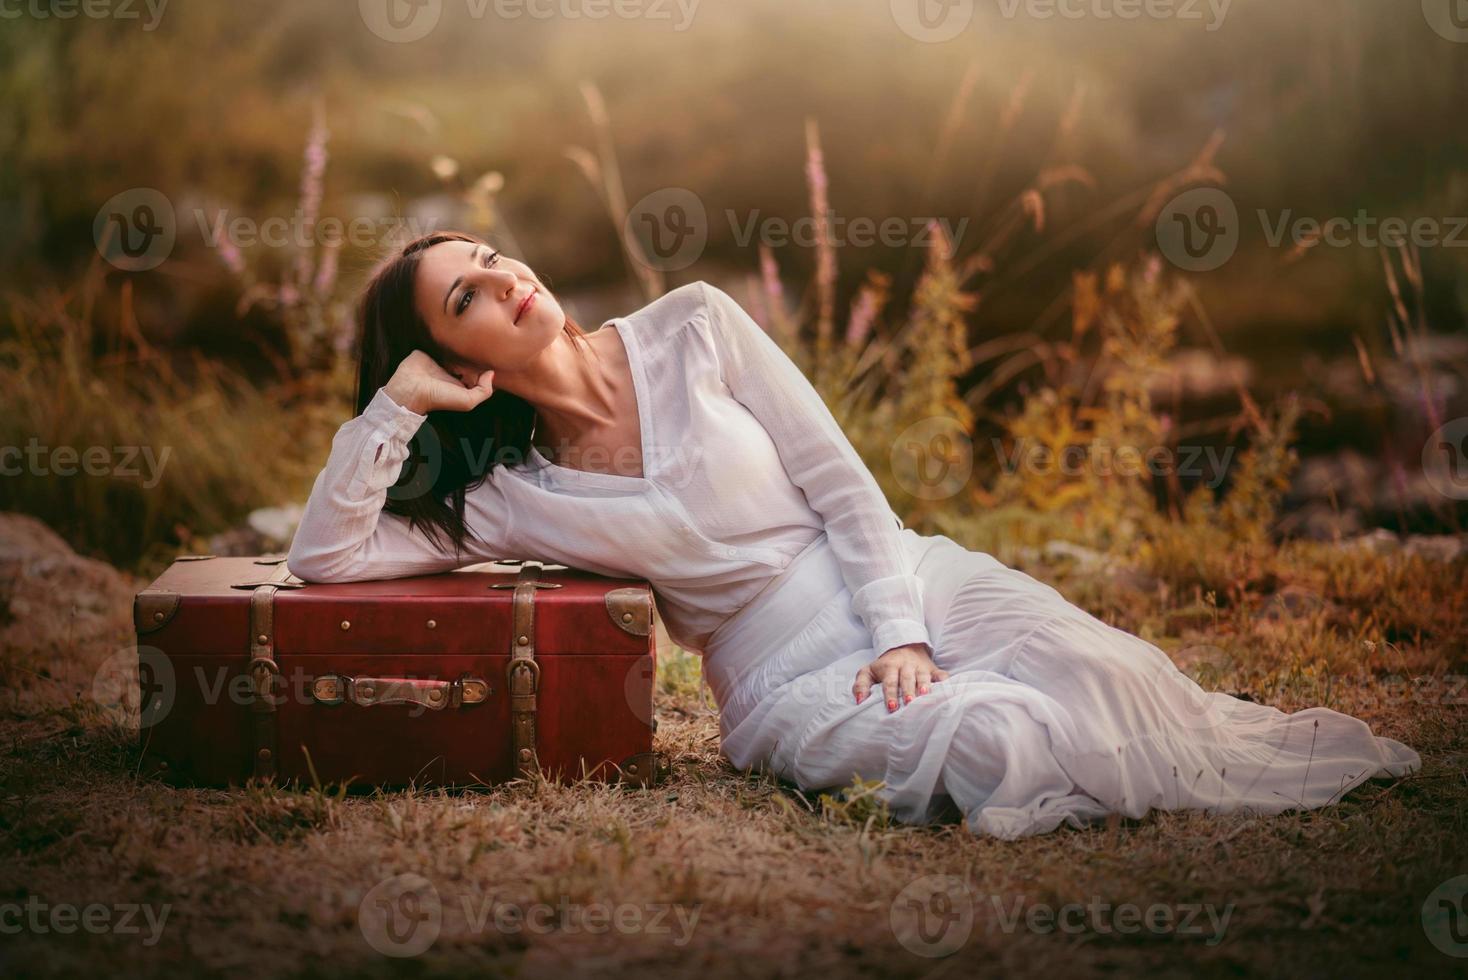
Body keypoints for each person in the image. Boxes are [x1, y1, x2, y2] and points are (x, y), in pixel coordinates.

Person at [286, 231, 1421, 839]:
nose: (504, 280)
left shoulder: (692, 322)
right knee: (991, 742)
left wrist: (902, 627)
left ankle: (1091, 725)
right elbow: (324, 557)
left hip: (899, 574)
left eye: (490, 256)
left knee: (1103, 669)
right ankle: (1001, 733)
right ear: (455, 355)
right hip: (777, 673)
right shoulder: (505, 495)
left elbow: (838, 474)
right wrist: (397, 407)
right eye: (464, 299)